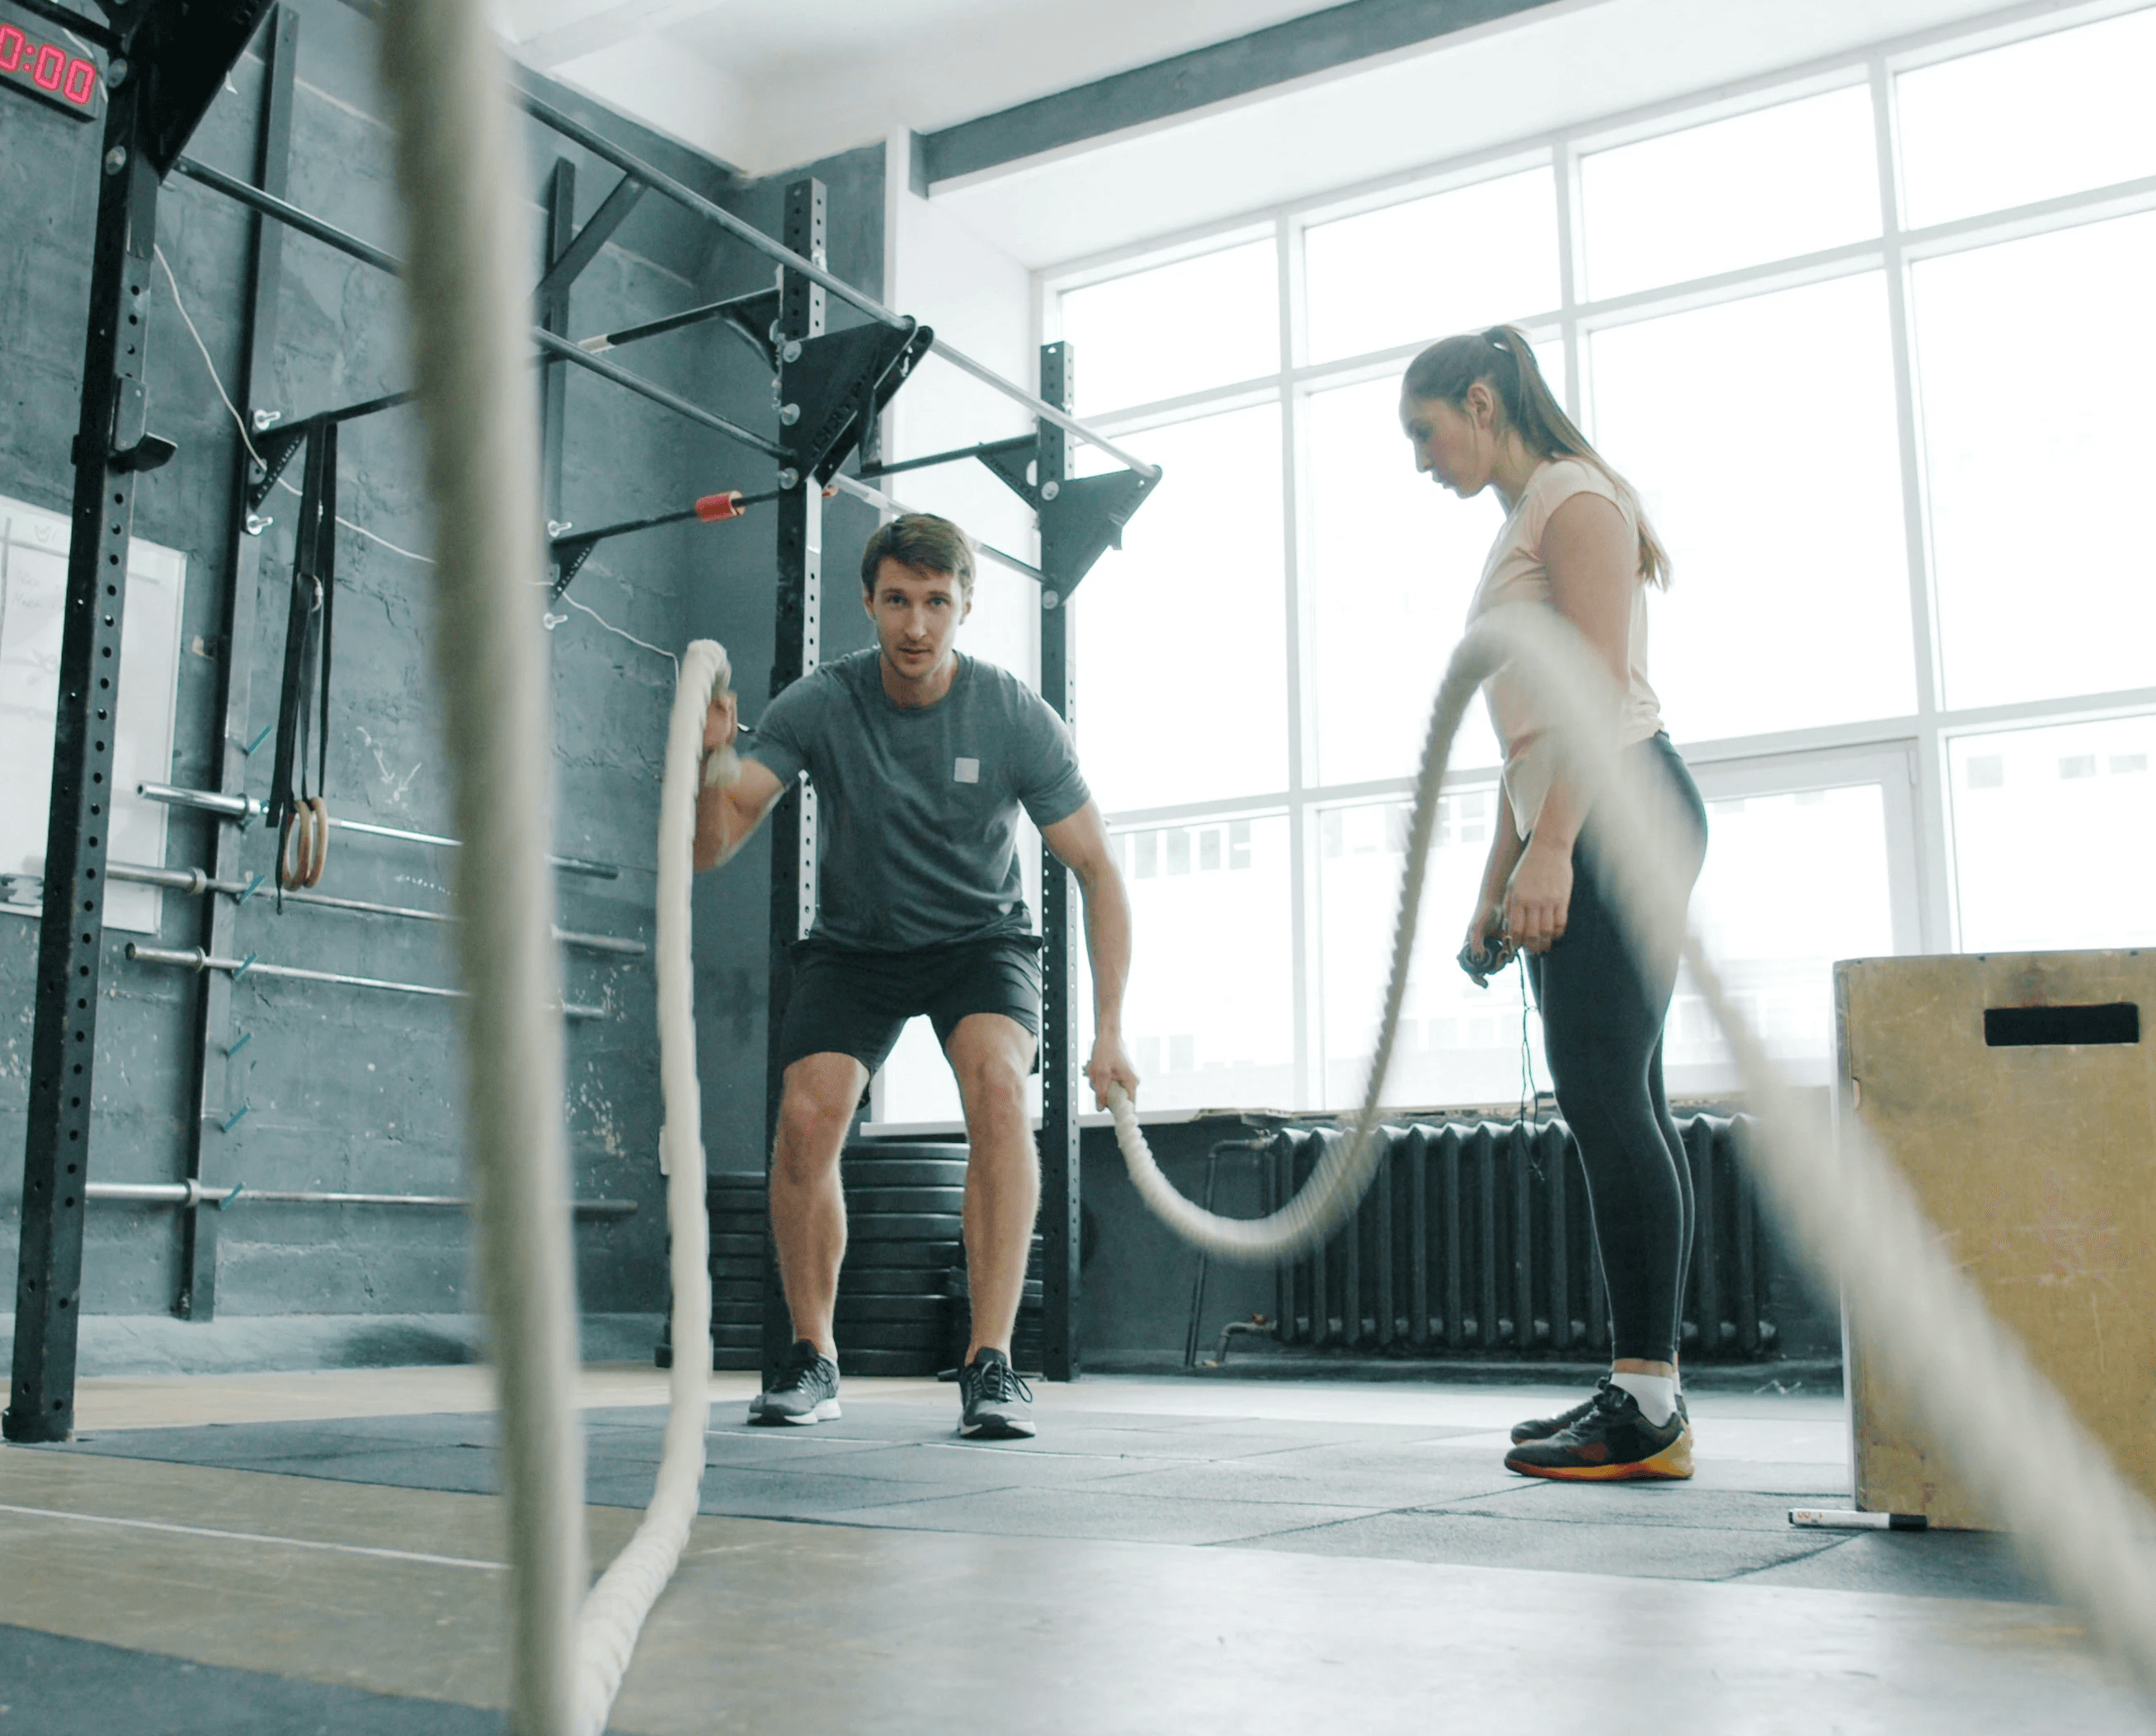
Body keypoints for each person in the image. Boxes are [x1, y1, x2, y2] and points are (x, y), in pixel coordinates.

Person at [694, 512, 1137, 1440]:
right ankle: (812, 1356)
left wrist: (1109, 1029)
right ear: (868, 601)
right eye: (897, 600)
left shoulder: (1013, 713)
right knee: (807, 1112)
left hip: (980, 941)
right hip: (858, 944)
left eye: (936, 601)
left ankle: (991, 1361)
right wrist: (710, 762)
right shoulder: (822, 702)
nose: (916, 624)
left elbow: (1097, 869)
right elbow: (713, 843)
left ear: (965, 605)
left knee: (998, 1088)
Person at [1400, 326, 1708, 1481]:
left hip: (1622, 808)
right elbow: (1524, 737)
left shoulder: (1575, 498)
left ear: (1481, 402)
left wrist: (1560, 847)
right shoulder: (1522, 521)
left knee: (1604, 1095)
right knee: (1620, 1097)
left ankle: (1647, 1405)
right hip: (1581, 813)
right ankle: (1645, 1389)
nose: (1420, 459)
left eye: (1426, 431)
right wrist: (1500, 877)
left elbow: (1594, 689)